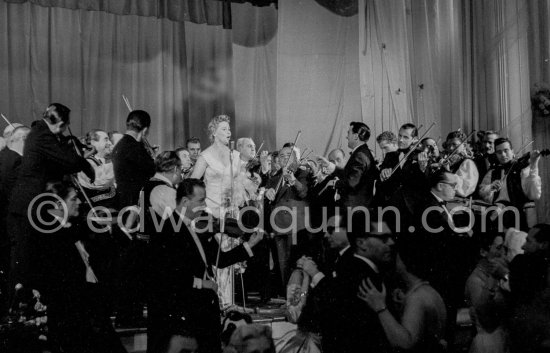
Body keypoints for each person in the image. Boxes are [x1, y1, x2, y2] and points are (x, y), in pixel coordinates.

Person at [147, 178, 263, 353]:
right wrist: (202, 283)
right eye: (201, 200)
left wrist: (250, 245)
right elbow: (168, 275)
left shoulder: (199, 228)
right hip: (186, 314)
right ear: (185, 201)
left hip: (204, 311)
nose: (205, 205)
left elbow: (220, 260)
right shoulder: (167, 230)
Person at [32, 181, 126, 353]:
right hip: (74, 316)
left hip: (86, 311)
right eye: (74, 199)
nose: (80, 202)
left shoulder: (70, 228)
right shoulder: (51, 235)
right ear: (59, 204)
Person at [8, 103, 94, 291]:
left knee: (30, 254)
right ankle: (21, 302)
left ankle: (29, 299)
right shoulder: (43, 135)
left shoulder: (40, 133)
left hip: (29, 201)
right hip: (29, 202)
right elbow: (69, 160)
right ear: (61, 123)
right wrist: (86, 165)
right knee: (26, 255)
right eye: (65, 126)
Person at [190, 114, 246, 307]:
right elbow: (193, 183)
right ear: (213, 133)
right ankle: (218, 301)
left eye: (229, 129)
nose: (228, 132)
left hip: (230, 211)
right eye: (223, 129)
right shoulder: (205, 156)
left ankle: (228, 302)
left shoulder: (235, 155)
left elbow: (240, 181)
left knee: (231, 257)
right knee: (217, 257)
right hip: (211, 211)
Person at [323, 211, 396, 353]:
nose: (391, 242)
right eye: (384, 238)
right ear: (361, 243)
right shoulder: (365, 277)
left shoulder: (358, 271)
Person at [358, 248, 447, 352]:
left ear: (404, 264)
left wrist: (380, 308)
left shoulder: (416, 297)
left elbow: (405, 343)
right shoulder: (427, 290)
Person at [478, 137, 541, 230]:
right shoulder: (493, 172)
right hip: (497, 212)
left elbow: (534, 194)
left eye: (506, 151)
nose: (503, 155)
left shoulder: (522, 169)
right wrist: (491, 187)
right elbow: (482, 192)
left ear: (512, 151)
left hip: (518, 213)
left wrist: (534, 165)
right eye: (499, 152)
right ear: (495, 154)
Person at [112, 110, 156, 210]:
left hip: (123, 200)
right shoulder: (135, 148)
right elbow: (152, 170)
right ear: (144, 130)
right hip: (135, 204)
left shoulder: (120, 145)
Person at [376, 123, 425, 205]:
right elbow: (380, 184)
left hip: (411, 207)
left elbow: (425, 185)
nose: (401, 140)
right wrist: (383, 174)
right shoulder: (390, 156)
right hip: (390, 205)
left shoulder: (420, 156)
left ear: (414, 139)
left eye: (406, 137)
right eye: (400, 136)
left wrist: (422, 168)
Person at [336, 121, 377, 210]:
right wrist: (333, 169)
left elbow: (352, 183)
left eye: (348, 133)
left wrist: (335, 183)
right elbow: (351, 175)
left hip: (355, 209)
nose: (347, 136)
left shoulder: (360, 155)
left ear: (355, 136)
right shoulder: (362, 152)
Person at [77, 129, 116, 209]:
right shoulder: (88, 162)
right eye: (106, 140)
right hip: (96, 207)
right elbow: (101, 183)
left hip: (108, 204)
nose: (110, 143)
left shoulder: (103, 162)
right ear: (93, 143)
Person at [440, 130, 479, 197]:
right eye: (448, 145)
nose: (451, 148)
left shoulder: (468, 163)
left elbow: (465, 190)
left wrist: (448, 172)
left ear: (463, 145)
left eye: (454, 145)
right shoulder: (449, 161)